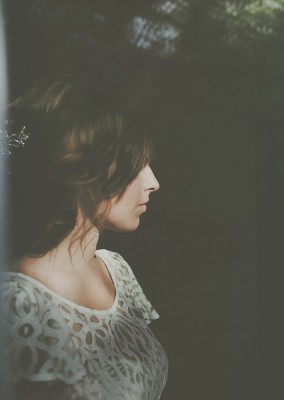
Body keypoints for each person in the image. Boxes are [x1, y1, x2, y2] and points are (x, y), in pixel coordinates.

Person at [0, 80, 168, 399]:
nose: (153, 182)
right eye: (136, 166)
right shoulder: (17, 305)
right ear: (84, 170)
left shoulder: (115, 271)